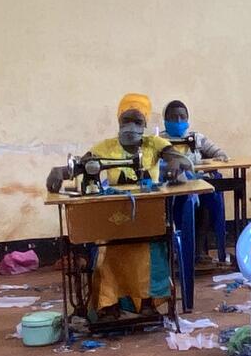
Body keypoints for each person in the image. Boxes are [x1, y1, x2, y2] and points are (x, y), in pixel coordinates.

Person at [46, 93, 189, 315]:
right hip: (114, 217)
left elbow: (181, 160)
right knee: (108, 250)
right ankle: (108, 304)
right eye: (126, 121)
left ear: (145, 125)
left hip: (147, 215)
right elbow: (77, 167)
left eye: (138, 122)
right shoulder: (105, 147)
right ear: (118, 122)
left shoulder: (154, 144)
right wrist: (59, 172)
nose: (131, 127)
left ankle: (148, 302)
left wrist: (175, 163)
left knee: (151, 249)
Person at [162, 99, 230, 264]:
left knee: (208, 199)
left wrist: (205, 163)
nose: (178, 121)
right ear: (165, 120)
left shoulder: (197, 138)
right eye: (173, 118)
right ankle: (178, 250)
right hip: (171, 186)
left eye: (182, 117)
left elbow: (221, 154)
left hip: (197, 184)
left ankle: (198, 249)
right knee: (181, 201)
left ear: (187, 119)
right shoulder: (159, 141)